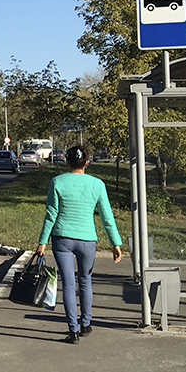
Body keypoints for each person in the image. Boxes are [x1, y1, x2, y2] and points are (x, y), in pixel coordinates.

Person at [36, 145, 123, 344]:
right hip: (87, 240)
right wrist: (115, 243)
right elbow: (107, 217)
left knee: (68, 284)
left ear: (67, 162)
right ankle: (86, 323)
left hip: (62, 239)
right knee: (85, 281)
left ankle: (72, 330)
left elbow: (51, 214)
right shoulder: (97, 184)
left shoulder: (57, 182)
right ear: (87, 163)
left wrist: (42, 242)